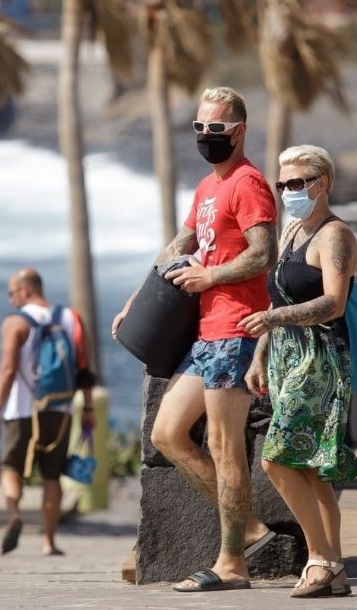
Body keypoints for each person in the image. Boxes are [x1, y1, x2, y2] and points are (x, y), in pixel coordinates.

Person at [112, 86, 279, 592]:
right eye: (200, 128)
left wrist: (212, 277)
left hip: (235, 327)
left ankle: (232, 563)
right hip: (206, 333)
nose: (207, 136)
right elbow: (181, 245)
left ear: (239, 131)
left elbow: (263, 254)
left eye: (217, 129)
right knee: (167, 434)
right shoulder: (208, 187)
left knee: (226, 445)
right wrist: (136, 300)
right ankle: (249, 529)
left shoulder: (249, 184)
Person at [240, 145, 357, 598]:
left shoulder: (335, 236)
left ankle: (319, 558)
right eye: (282, 184)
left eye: (297, 183)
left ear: (321, 183)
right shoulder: (291, 231)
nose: (288, 191)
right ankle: (336, 568)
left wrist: (272, 322)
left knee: (276, 458)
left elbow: (335, 302)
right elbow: (280, 300)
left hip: (321, 358)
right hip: (288, 357)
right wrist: (260, 354)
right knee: (310, 470)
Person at [0, 268, 96, 557]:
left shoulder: (15, 322)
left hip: (22, 410)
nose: (11, 301)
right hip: (60, 410)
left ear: (25, 290)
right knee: (52, 476)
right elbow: (84, 369)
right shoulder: (71, 319)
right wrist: (87, 407)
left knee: (10, 468)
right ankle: (49, 541)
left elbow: (8, 370)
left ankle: (14, 516)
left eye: (12, 293)